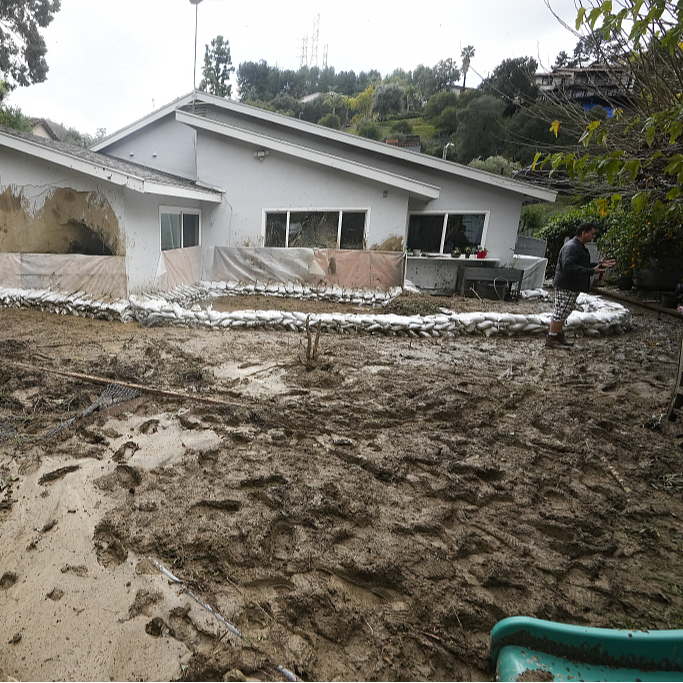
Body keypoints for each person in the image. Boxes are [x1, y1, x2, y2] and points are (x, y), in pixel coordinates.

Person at [546, 222, 616, 350]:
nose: (593, 236)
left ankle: (558, 335)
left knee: (565, 310)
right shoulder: (572, 247)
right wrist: (591, 271)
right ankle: (551, 338)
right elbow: (568, 266)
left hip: (571, 285)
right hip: (567, 284)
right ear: (584, 233)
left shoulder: (578, 246)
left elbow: (582, 264)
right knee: (561, 311)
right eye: (592, 233)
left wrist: (599, 265)